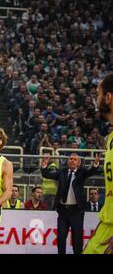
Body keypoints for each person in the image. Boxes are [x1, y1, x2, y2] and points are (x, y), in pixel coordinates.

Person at [41, 153, 100, 254]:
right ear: (68, 161)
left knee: (77, 239)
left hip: (76, 211)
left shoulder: (82, 172)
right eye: (70, 159)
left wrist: (95, 164)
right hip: (63, 211)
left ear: (79, 163)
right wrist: (44, 166)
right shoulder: (62, 172)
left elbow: (91, 171)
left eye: (75, 159)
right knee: (60, 238)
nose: (72, 161)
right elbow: (47, 174)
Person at [84, 73, 113, 254]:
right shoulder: (109, 139)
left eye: (98, 94)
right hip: (106, 226)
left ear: (108, 97)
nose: (97, 100)